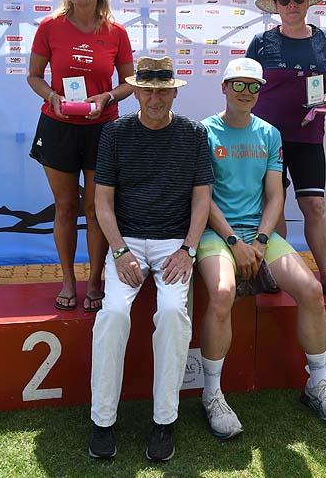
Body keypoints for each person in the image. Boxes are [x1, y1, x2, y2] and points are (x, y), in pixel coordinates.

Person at [197, 57, 326, 439]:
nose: (246, 92)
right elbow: (203, 199)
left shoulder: (269, 134)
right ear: (224, 87)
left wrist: (261, 241)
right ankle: (212, 394)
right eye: (238, 84)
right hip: (216, 234)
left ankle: (317, 384)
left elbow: (275, 195)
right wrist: (235, 242)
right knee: (223, 293)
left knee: (311, 289)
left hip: (259, 235)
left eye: (253, 86)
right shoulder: (204, 132)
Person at [89, 56, 214, 461]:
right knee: (112, 315)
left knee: (174, 314)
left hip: (174, 242)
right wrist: (119, 250)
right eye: (147, 91)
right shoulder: (115, 132)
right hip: (126, 240)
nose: (155, 98)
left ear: (174, 92)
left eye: (162, 91)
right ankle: (102, 420)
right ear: (137, 92)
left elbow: (202, 198)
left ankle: (164, 420)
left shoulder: (194, 134)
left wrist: (188, 249)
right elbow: (102, 202)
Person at [27, 0, 134, 312]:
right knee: (66, 206)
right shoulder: (50, 27)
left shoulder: (116, 32)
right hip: (58, 126)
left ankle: (95, 281)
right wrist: (52, 97)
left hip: (102, 128)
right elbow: (34, 76)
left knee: (96, 207)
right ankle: (68, 281)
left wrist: (107, 96)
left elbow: (129, 82)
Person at [246, 0, 326, 301]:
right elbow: (244, 85)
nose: (292, 4)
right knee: (272, 207)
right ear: (276, 5)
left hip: (308, 138)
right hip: (267, 141)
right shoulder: (261, 42)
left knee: (314, 205)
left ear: (308, 2)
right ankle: (278, 272)